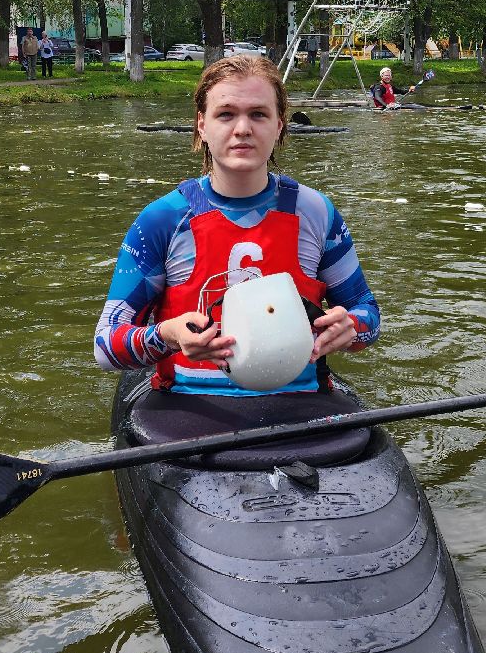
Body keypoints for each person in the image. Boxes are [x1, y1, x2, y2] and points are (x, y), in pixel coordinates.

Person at [94, 55, 379, 403]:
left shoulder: (318, 213)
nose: (242, 128)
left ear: (279, 125)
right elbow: (106, 344)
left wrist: (352, 328)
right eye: (226, 114)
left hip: (301, 403)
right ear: (201, 125)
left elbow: (367, 313)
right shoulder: (161, 220)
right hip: (189, 404)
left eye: (258, 114)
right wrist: (166, 335)